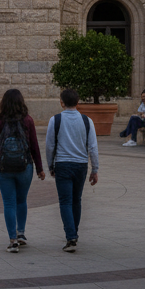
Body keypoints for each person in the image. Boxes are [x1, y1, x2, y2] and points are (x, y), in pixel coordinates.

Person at [0, 88, 45, 252]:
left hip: (4, 168)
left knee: (9, 203)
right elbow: (34, 146)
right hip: (25, 167)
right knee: (21, 200)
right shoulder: (28, 121)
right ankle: (21, 233)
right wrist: (39, 168)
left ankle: (12, 240)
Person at [44, 88, 99, 252]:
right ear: (78, 102)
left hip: (63, 164)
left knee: (65, 201)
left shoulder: (55, 120)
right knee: (76, 200)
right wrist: (95, 169)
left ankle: (71, 236)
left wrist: (50, 165)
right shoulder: (87, 121)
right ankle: (74, 232)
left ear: (61, 102)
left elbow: (49, 146)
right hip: (80, 165)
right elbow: (93, 147)